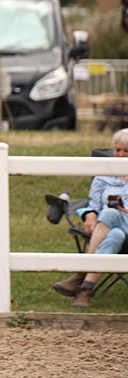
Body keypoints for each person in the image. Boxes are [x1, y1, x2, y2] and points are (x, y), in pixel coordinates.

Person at [52, 128, 128, 308]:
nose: (120, 155)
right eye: (117, 150)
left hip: (119, 218)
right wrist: (90, 214)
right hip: (110, 227)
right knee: (115, 236)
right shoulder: (103, 175)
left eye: (126, 151)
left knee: (109, 213)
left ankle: (82, 270)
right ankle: (85, 289)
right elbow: (93, 204)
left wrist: (122, 210)